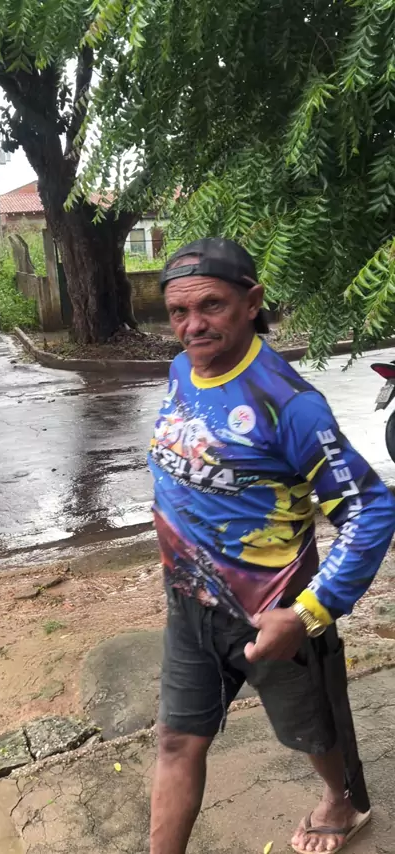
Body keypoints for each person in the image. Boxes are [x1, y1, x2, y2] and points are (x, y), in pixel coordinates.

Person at [148, 237, 395, 854]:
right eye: (179, 312)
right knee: (176, 740)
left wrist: (308, 614)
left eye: (211, 305)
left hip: (272, 614)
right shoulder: (181, 370)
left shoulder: (290, 404)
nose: (193, 325)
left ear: (252, 301)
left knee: (312, 733)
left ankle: (340, 802)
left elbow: (370, 509)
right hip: (189, 604)